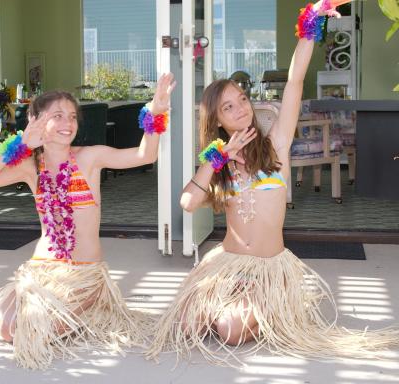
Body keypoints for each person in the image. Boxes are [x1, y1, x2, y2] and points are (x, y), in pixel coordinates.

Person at [147, 1, 398, 367]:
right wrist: (215, 162)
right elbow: (187, 203)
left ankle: (268, 307)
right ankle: (231, 302)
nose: (241, 109)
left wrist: (312, 22)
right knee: (186, 325)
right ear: (216, 121)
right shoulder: (216, 160)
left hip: (268, 267)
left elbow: (295, 80)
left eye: (242, 100)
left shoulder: (276, 146)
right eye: (228, 107)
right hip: (228, 262)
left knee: (229, 331)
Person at [0, 73, 176, 370]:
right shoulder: (30, 167)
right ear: (36, 121)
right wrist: (21, 143)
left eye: (72, 117)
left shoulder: (90, 158)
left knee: (40, 328)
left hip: (84, 274)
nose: (68, 124)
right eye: (57, 116)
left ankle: (89, 306)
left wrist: (155, 112)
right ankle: (65, 310)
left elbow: (145, 155)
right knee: (7, 328)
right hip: (41, 270)